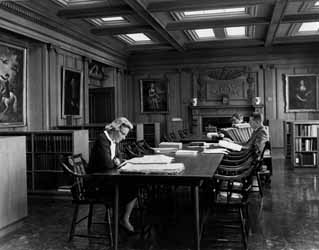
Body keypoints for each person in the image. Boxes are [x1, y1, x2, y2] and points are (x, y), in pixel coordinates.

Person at [87, 117, 138, 233]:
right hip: (95, 183)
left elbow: (119, 157)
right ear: (115, 129)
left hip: (106, 177)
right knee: (131, 188)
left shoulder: (113, 140)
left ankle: (122, 218)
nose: (124, 138)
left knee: (134, 186)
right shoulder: (102, 139)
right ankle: (122, 219)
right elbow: (107, 164)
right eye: (123, 134)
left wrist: (116, 161)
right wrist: (116, 162)